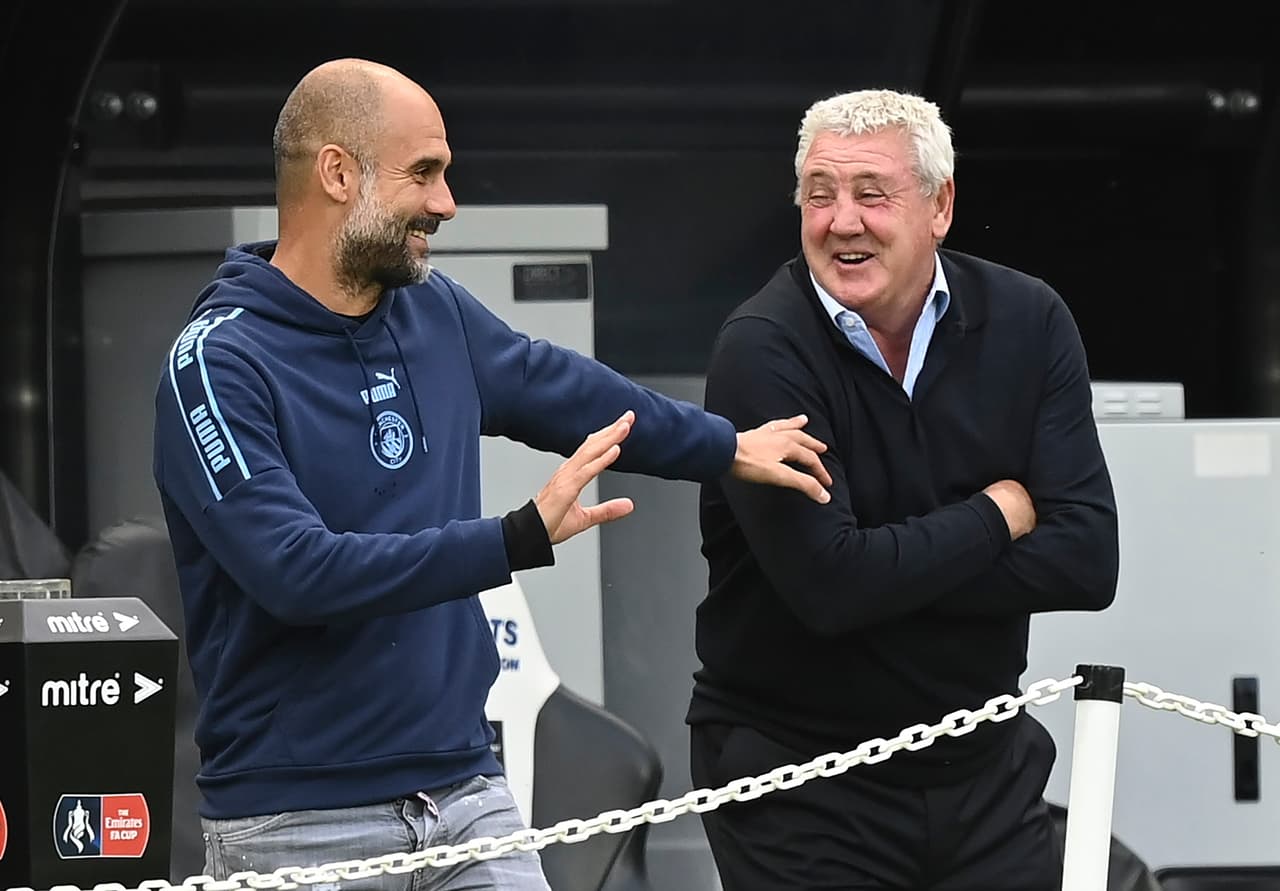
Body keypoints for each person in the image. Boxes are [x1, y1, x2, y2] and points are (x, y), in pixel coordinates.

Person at [151, 58, 832, 891]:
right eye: (425, 173)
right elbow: (296, 573)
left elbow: (573, 392)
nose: (446, 203)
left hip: (467, 796)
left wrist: (725, 447)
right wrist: (514, 539)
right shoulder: (218, 362)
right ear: (336, 173)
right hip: (296, 823)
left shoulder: (436, 314)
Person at [688, 88, 1120, 890]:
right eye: (819, 195)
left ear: (940, 206)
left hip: (984, 765)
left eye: (871, 194)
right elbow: (831, 590)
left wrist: (884, 563)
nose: (841, 221)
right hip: (801, 779)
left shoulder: (1030, 320)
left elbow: (1088, 561)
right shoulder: (762, 349)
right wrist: (1001, 512)